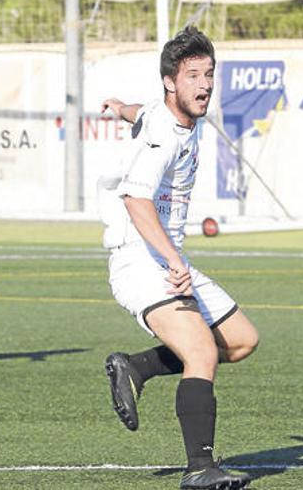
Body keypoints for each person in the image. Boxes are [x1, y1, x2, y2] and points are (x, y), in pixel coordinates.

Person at [98, 26, 259, 490]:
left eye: (209, 74)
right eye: (193, 75)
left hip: (164, 254)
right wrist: (173, 261)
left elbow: (141, 114)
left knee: (241, 340)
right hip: (140, 260)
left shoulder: (166, 112)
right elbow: (135, 199)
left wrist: (120, 108)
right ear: (171, 81)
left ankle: (138, 366)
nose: (204, 84)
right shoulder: (162, 140)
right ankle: (200, 468)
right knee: (202, 350)